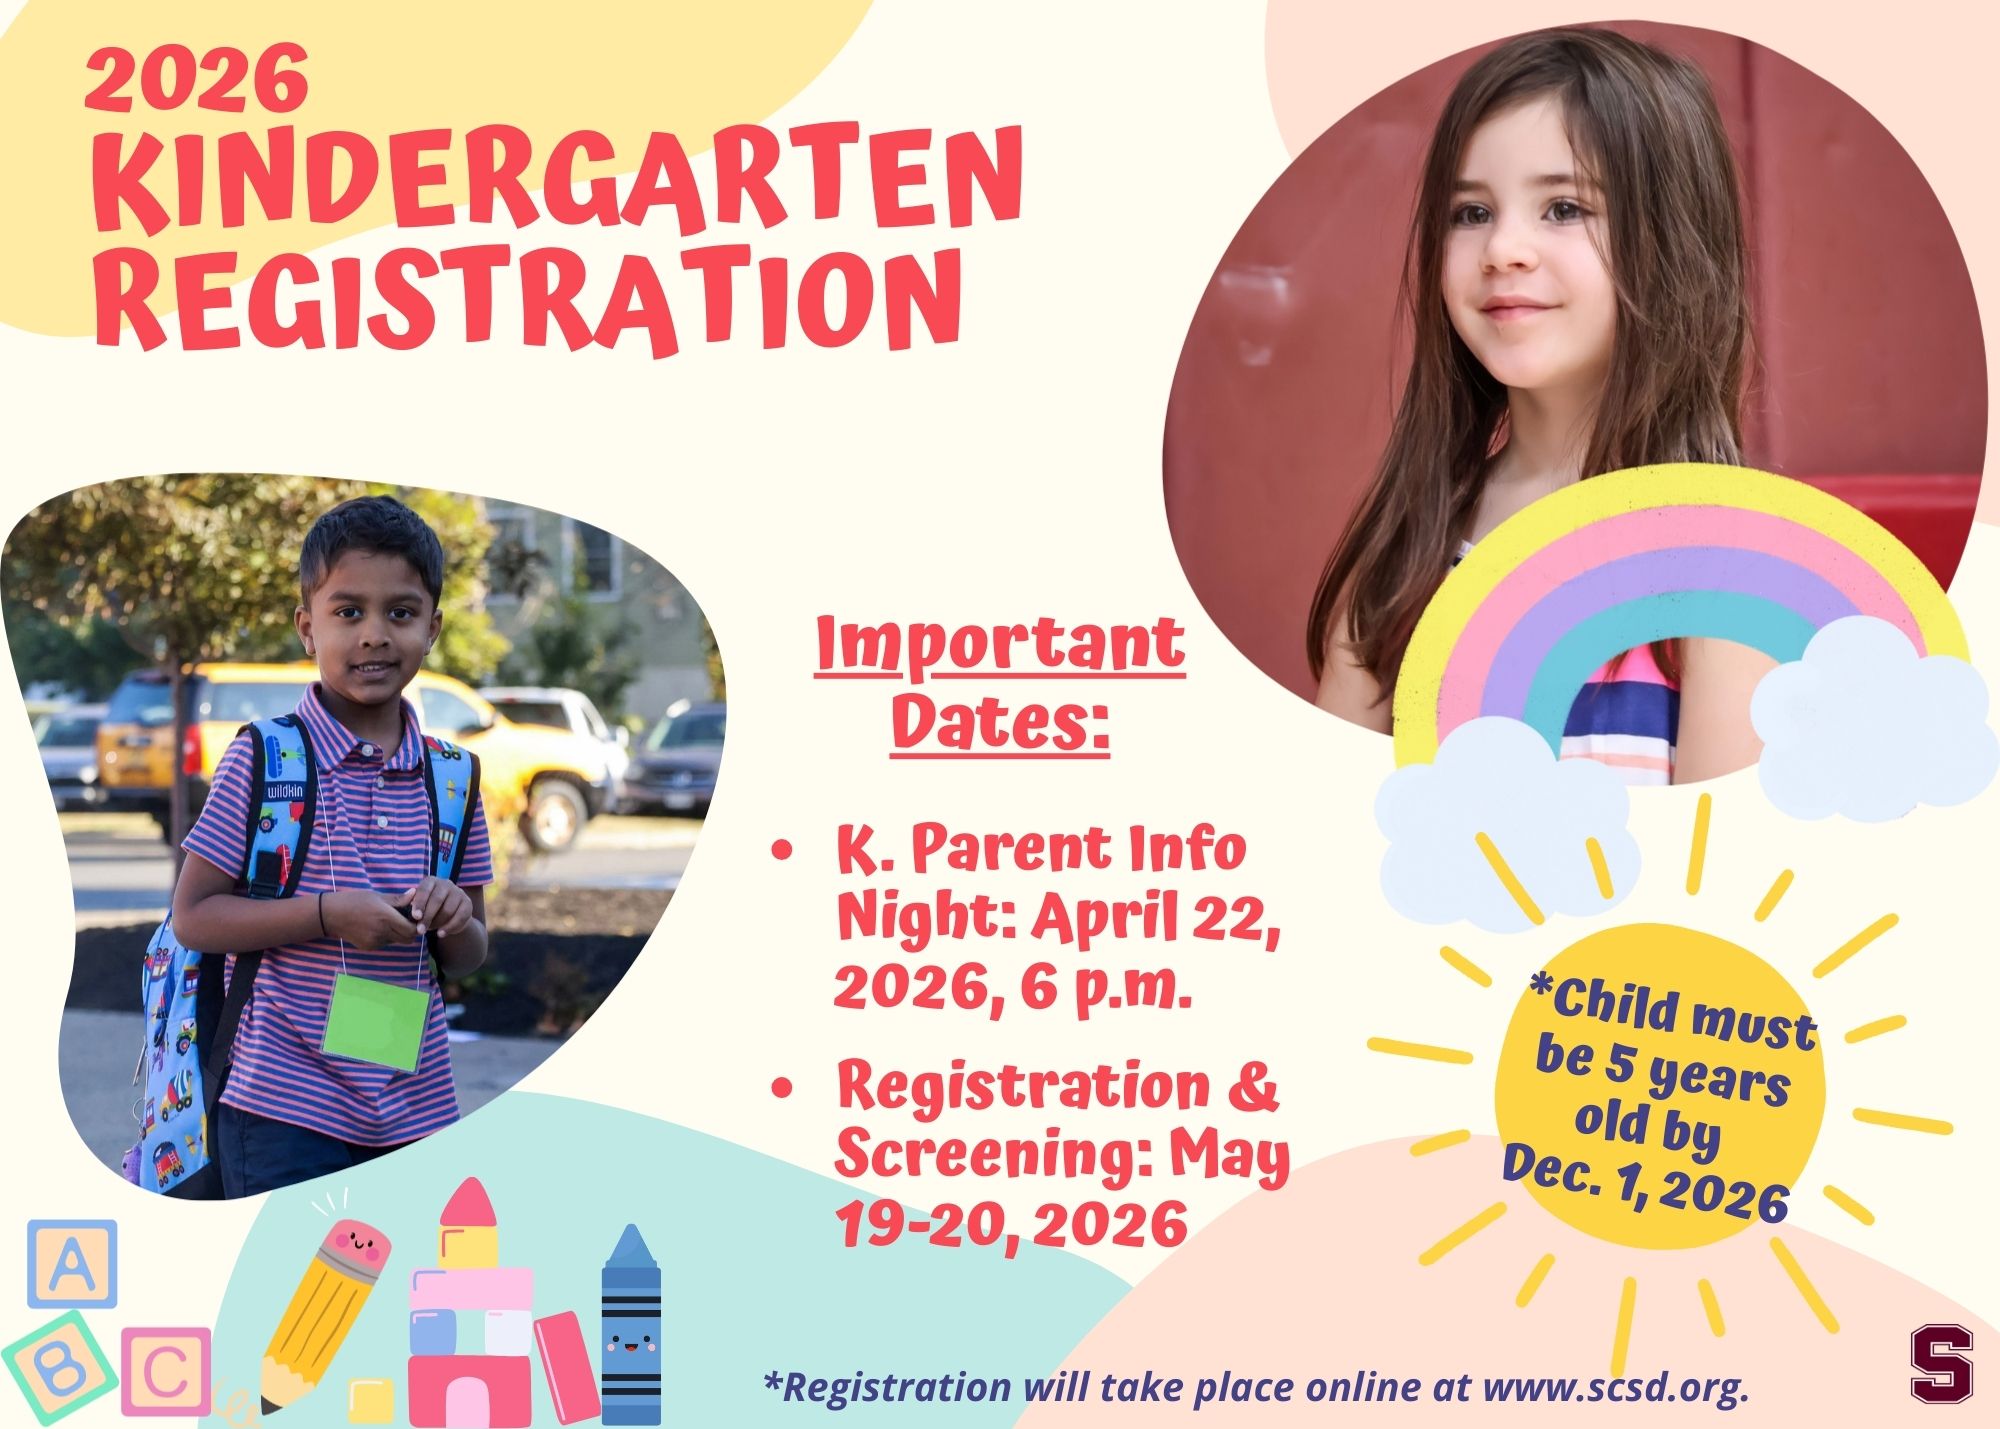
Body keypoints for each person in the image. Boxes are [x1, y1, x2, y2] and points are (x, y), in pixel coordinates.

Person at [1308, 27, 1772, 784]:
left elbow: (1715, 853)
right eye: (1471, 213)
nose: (1503, 250)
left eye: (1562, 207)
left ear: (1675, 245)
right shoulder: (1406, 551)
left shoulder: (1729, 568)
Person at [171, 495, 493, 1196]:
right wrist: (326, 915)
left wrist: (455, 918)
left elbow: (469, 954)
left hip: (414, 1109)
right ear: (307, 628)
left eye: (400, 613)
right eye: (348, 612)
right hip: (278, 1107)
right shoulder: (266, 758)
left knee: (401, 1266)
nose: (374, 634)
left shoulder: (453, 778)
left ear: (432, 629)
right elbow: (194, 917)